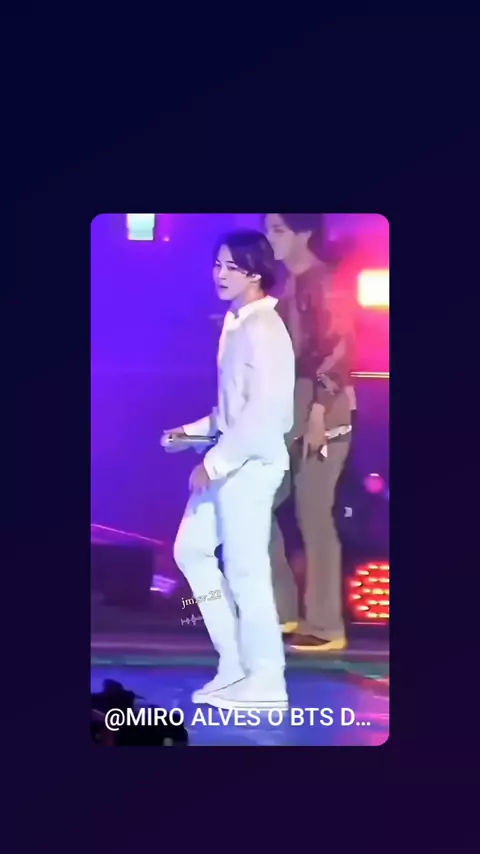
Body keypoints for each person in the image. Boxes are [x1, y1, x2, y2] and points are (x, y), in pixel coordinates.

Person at [166, 230, 295, 711]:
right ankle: (235, 664)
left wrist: (214, 462)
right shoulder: (238, 324)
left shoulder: (265, 329)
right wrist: (189, 433)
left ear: (255, 273)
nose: (220, 275)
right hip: (232, 459)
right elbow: (232, 411)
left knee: (246, 571)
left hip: (252, 466)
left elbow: (267, 413)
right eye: (217, 265)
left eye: (232, 267)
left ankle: (267, 681)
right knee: (191, 550)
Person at [264, 213, 357, 651]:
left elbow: (338, 350)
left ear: (303, 233)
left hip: (322, 407)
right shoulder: (289, 285)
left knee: (315, 514)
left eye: (278, 230)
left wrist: (319, 412)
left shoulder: (326, 283)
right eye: (267, 229)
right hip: (290, 407)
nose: (270, 238)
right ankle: (282, 611)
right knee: (257, 502)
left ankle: (324, 625)